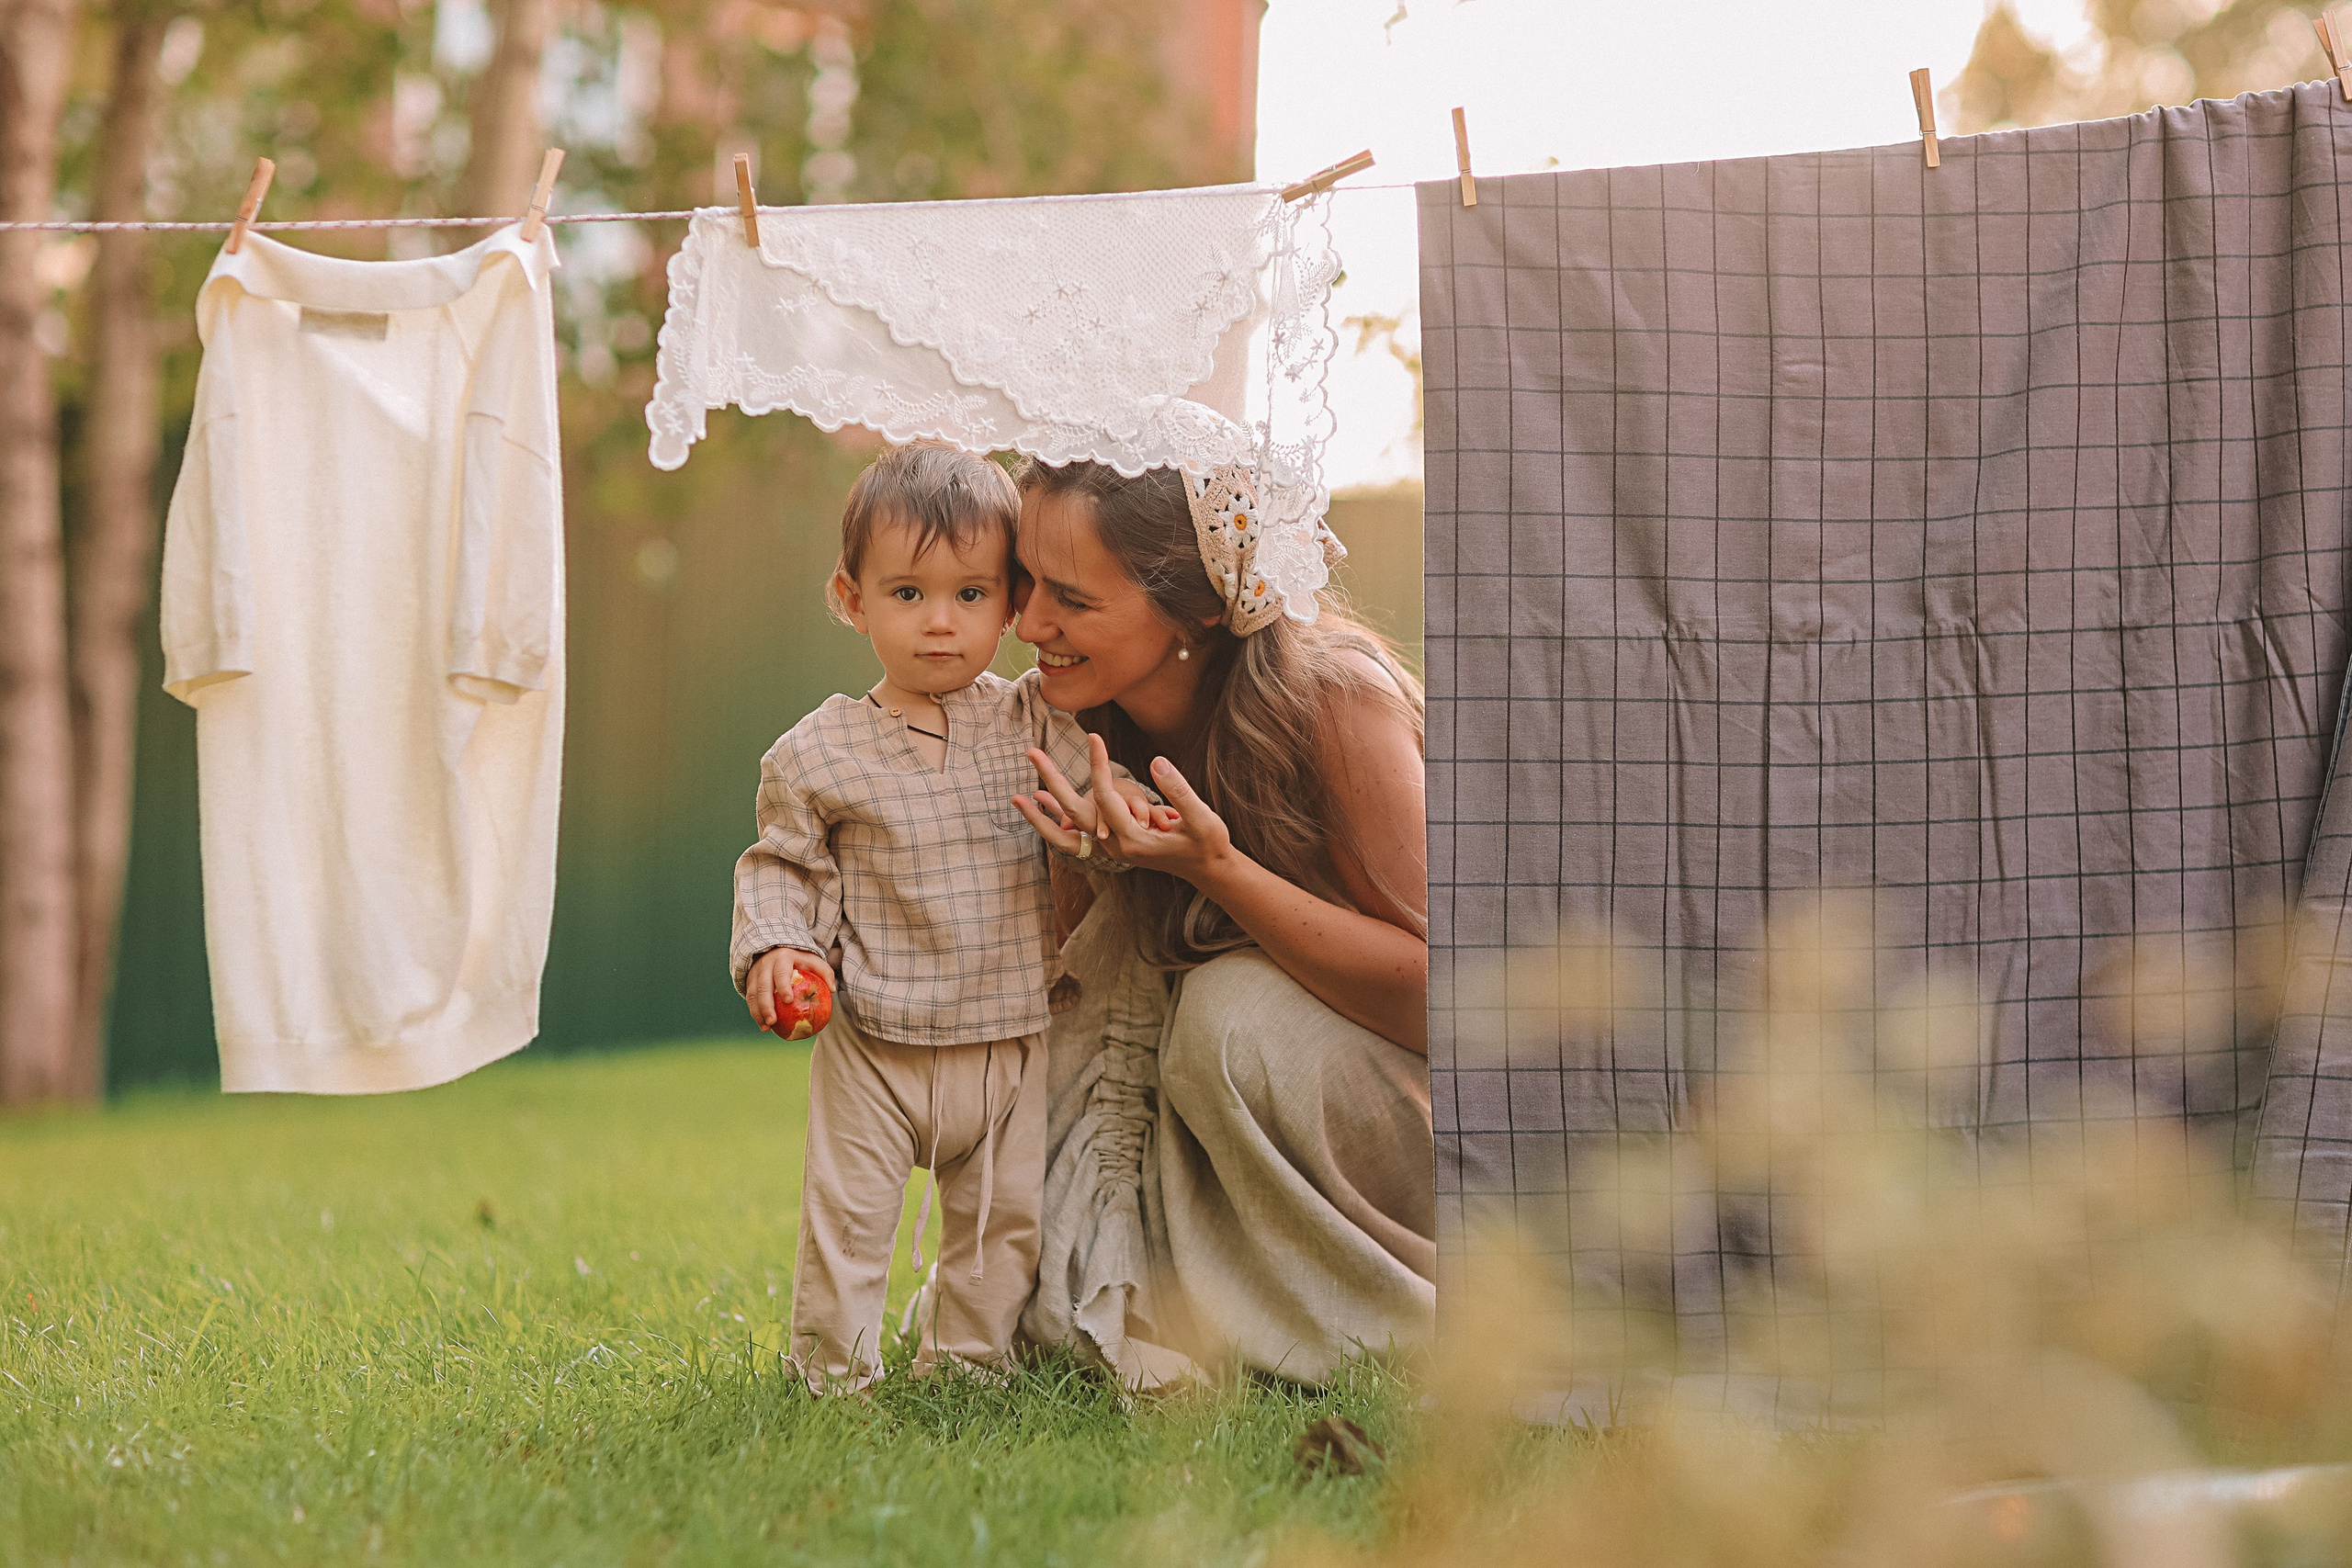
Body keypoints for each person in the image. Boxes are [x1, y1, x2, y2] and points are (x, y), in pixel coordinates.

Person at [1008, 419, 1435, 1389]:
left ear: (1194, 611)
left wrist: (1219, 869)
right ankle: (1235, 1316)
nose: (1028, 625)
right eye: (1024, 580)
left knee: (1226, 1012)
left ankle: (1404, 1335)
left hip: (1420, 1124)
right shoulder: (1069, 723)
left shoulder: (1335, 703)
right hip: (1224, 1120)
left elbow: (1443, 1000)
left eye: (1071, 598)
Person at [729, 442, 1165, 1393]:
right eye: (907, 594)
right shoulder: (817, 754)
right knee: (849, 1219)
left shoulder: (1031, 721)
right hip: (877, 1042)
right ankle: (832, 1374)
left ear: (1009, 605)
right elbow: (783, 866)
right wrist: (779, 948)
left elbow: (1100, 790)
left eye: (970, 594)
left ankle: (966, 1366)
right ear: (851, 598)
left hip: (1007, 1036)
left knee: (1000, 1224)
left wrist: (1128, 809)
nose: (940, 622)